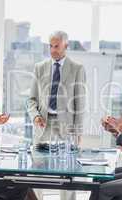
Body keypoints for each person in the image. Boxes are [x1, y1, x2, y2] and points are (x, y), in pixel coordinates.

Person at [26, 30, 86, 200]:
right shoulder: (39, 67)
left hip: (66, 128)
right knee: (36, 173)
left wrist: (77, 132)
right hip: (43, 126)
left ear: (66, 45)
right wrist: (35, 116)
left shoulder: (77, 69)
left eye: (57, 46)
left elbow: (80, 104)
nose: (53, 50)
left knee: (68, 175)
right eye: (50, 46)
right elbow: (31, 100)